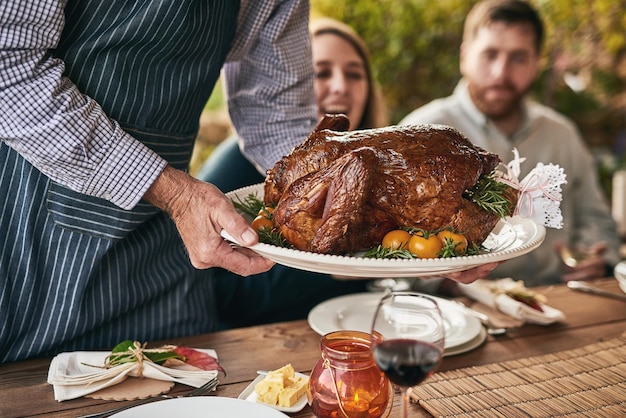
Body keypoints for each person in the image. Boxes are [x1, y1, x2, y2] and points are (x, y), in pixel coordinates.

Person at [0, 0, 319, 363]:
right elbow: (9, 67)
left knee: (192, 390)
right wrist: (176, 195)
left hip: (167, 247)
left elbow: (275, 112)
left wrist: (325, 192)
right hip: (36, 236)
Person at [400, 0, 621, 286]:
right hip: (453, 309)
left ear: (537, 64)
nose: (500, 73)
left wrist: (597, 258)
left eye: (518, 57)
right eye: (490, 54)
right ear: (465, 56)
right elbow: (392, 250)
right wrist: (441, 279)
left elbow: (597, 220)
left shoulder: (562, 134)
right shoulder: (420, 133)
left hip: (556, 299)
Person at [198, 17, 392, 329]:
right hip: (267, 345)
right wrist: (333, 267)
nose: (341, 85)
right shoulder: (237, 166)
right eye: (322, 72)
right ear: (291, 85)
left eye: (354, 74)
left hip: (361, 334)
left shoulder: (378, 168)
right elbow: (216, 295)